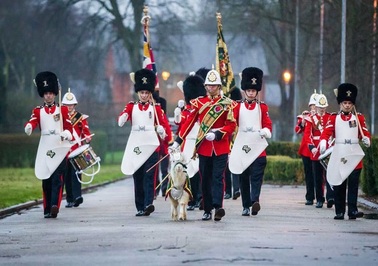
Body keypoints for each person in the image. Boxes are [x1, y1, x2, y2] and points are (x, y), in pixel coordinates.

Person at [171, 69, 237, 221]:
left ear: (219, 86)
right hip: (204, 147)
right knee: (205, 178)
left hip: (220, 145)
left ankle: (218, 207)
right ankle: (207, 209)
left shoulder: (227, 104)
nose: (212, 88)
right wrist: (178, 141)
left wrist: (218, 133)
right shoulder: (199, 103)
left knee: (218, 177)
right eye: (209, 85)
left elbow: (231, 125)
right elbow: (188, 123)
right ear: (206, 86)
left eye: (214, 85)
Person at [118, 68, 172, 217]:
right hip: (136, 145)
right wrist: (122, 118)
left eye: (146, 93)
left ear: (150, 94)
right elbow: (123, 117)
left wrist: (162, 131)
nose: (144, 95)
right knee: (138, 177)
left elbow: (163, 124)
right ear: (138, 93)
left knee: (150, 176)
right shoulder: (131, 106)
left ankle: (149, 204)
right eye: (141, 93)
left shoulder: (156, 108)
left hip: (151, 145)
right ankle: (140, 206)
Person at [24, 71, 73, 218]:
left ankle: (54, 206)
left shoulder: (62, 109)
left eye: (51, 93)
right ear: (43, 95)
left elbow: (69, 127)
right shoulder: (38, 111)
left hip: (58, 146)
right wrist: (29, 127)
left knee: (58, 179)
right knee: (46, 180)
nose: (49, 96)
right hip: (45, 146)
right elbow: (33, 121)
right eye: (46, 94)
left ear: (54, 94)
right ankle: (46, 208)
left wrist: (67, 134)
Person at [319, 83, 371, 220]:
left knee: (353, 185)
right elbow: (326, 132)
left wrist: (367, 139)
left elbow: (364, 133)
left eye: (349, 103)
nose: (347, 105)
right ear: (340, 104)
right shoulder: (333, 118)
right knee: (339, 184)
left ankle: (352, 210)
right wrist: (323, 142)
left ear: (353, 104)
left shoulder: (359, 118)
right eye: (344, 103)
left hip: (354, 154)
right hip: (340, 153)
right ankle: (339, 211)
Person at [229, 67, 272, 216]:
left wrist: (266, 131)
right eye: (249, 90)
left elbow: (267, 123)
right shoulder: (236, 106)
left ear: (257, 91)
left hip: (258, 145)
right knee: (243, 177)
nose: (252, 92)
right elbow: (230, 123)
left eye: (254, 90)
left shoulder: (262, 107)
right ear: (245, 91)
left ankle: (255, 201)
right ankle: (245, 205)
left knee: (256, 176)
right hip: (242, 143)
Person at [174, 72, 207, 211]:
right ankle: (192, 198)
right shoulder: (186, 110)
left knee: (201, 172)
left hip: (200, 142)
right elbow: (181, 127)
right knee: (189, 172)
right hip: (188, 143)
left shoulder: (203, 109)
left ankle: (201, 198)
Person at [303, 94, 334, 208]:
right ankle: (320, 199)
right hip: (316, 150)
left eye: (324, 107)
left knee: (330, 174)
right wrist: (313, 148)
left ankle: (330, 197)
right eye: (320, 107)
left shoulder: (331, 117)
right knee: (317, 177)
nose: (322, 109)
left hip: (328, 149)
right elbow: (308, 136)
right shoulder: (311, 119)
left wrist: (330, 145)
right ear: (316, 107)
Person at [62, 89, 92, 208]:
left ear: (74, 105)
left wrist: (87, 137)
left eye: (71, 105)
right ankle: (69, 199)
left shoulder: (80, 117)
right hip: (64, 150)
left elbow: (85, 131)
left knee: (77, 174)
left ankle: (77, 196)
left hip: (76, 150)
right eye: (67, 105)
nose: (69, 107)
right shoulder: (60, 117)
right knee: (67, 176)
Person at [295, 91, 317, 205]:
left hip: (318, 148)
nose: (314, 107)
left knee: (319, 174)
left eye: (316, 105)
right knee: (308, 174)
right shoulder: (306, 117)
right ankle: (310, 196)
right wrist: (303, 121)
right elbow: (298, 130)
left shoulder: (322, 117)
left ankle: (321, 196)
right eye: (312, 105)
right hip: (306, 150)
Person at [224, 87, 243, 200]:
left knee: (232, 166)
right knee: (230, 166)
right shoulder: (230, 107)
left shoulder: (238, 107)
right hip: (230, 138)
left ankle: (231, 191)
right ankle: (234, 189)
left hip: (235, 138)